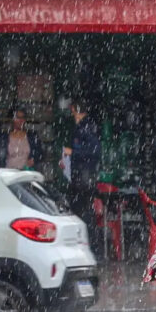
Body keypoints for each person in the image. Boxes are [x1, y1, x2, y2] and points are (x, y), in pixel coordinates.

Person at [62, 99, 101, 257]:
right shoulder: (82, 127)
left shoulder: (86, 127)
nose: (72, 115)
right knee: (81, 211)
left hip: (84, 177)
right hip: (80, 176)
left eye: (73, 111)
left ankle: (90, 248)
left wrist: (73, 153)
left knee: (83, 212)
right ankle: (87, 248)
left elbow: (95, 151)